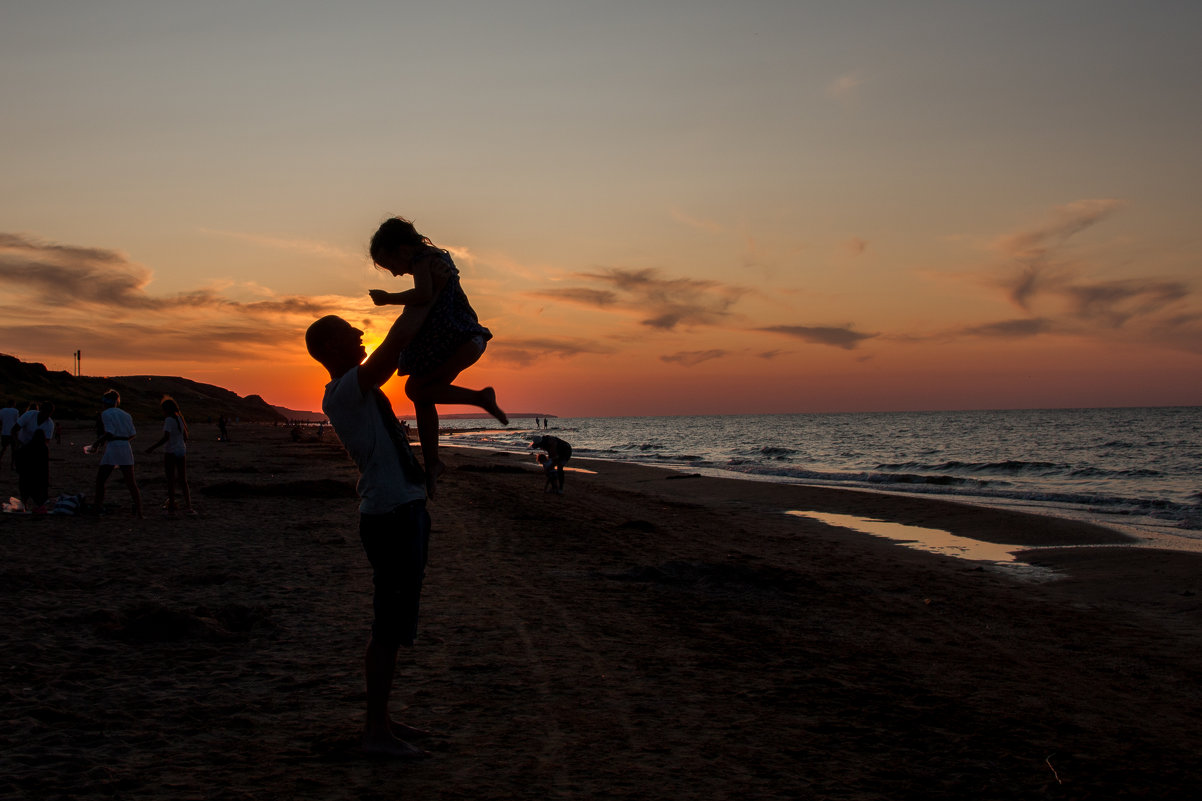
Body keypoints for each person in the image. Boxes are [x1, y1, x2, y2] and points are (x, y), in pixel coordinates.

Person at [305, 302, 439, 759]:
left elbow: (403, 353)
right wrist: (425, 293)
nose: (360, 333)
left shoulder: (354, 389)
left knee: (395, 623)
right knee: (388, 627)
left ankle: (380, 718)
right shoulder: (344, 391)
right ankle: (375, 733)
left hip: (402, 509)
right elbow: (395, 344)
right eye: (349, 331)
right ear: (327, 347)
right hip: (390, 516)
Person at [367, 216, 507, 498]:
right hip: (460, 340)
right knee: (422, 395)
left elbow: (424, 293)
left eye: (391, 264)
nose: (395, 274)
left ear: (402, 249)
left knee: (414, 389)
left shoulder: (423, 259)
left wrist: (387, 299)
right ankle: (433, 464)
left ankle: (480, 399)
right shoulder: (439, 258)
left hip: (457, 339)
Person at [90, 390, 143, 517]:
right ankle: (139, 511)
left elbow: (110, 432)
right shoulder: (126, 414)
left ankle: (97, 508)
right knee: (131, 482)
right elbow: (132, 434)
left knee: (101, 480)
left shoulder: (106, 414)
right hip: (126, 446)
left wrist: (97, 443)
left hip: (113, 447)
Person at [145, 396, 194, 516]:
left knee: (170, 479)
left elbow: (166, 437)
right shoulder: (180, 418)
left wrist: (152, 447)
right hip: (181, 450)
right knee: (183, 480)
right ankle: (189, 506)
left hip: (171, 451)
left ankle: (171, 505)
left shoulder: (169, 420)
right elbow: (185, 437)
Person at [14, 402, 54, 512]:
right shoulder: (29, 415)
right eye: (45, 412)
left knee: (36, 478)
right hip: (23, 447)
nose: (46, 415)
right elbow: (15, 429)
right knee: (23, 476)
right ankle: (24, 501)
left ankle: (38, 501)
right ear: (40, 410)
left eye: (49, 413)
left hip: (37, 451)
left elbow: (46, 442)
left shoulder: (49, 424)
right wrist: (18, 445)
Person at [0, 400, 19, 469]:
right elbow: (17, 422)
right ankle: (12, 465)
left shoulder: (2, 410)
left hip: (4, 432)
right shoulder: (16, 411)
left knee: (3, 448)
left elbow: (0, 421)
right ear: (14, 404)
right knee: (13, 450)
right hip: (12, 433)